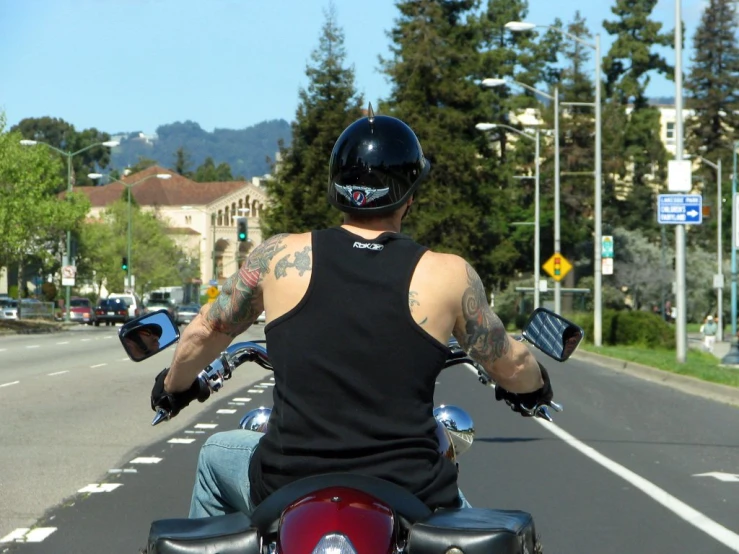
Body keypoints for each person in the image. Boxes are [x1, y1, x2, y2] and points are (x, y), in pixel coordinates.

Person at [151, 109, 553, 518]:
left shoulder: (278, 256)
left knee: (215, 453)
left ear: (335, 187)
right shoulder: (448, 274)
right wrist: (536, 389)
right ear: (409, 196)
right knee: (477, 530)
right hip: (411, 488)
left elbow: (206, 330)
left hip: (287, 482)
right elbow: (512, 364)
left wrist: (173, 387)